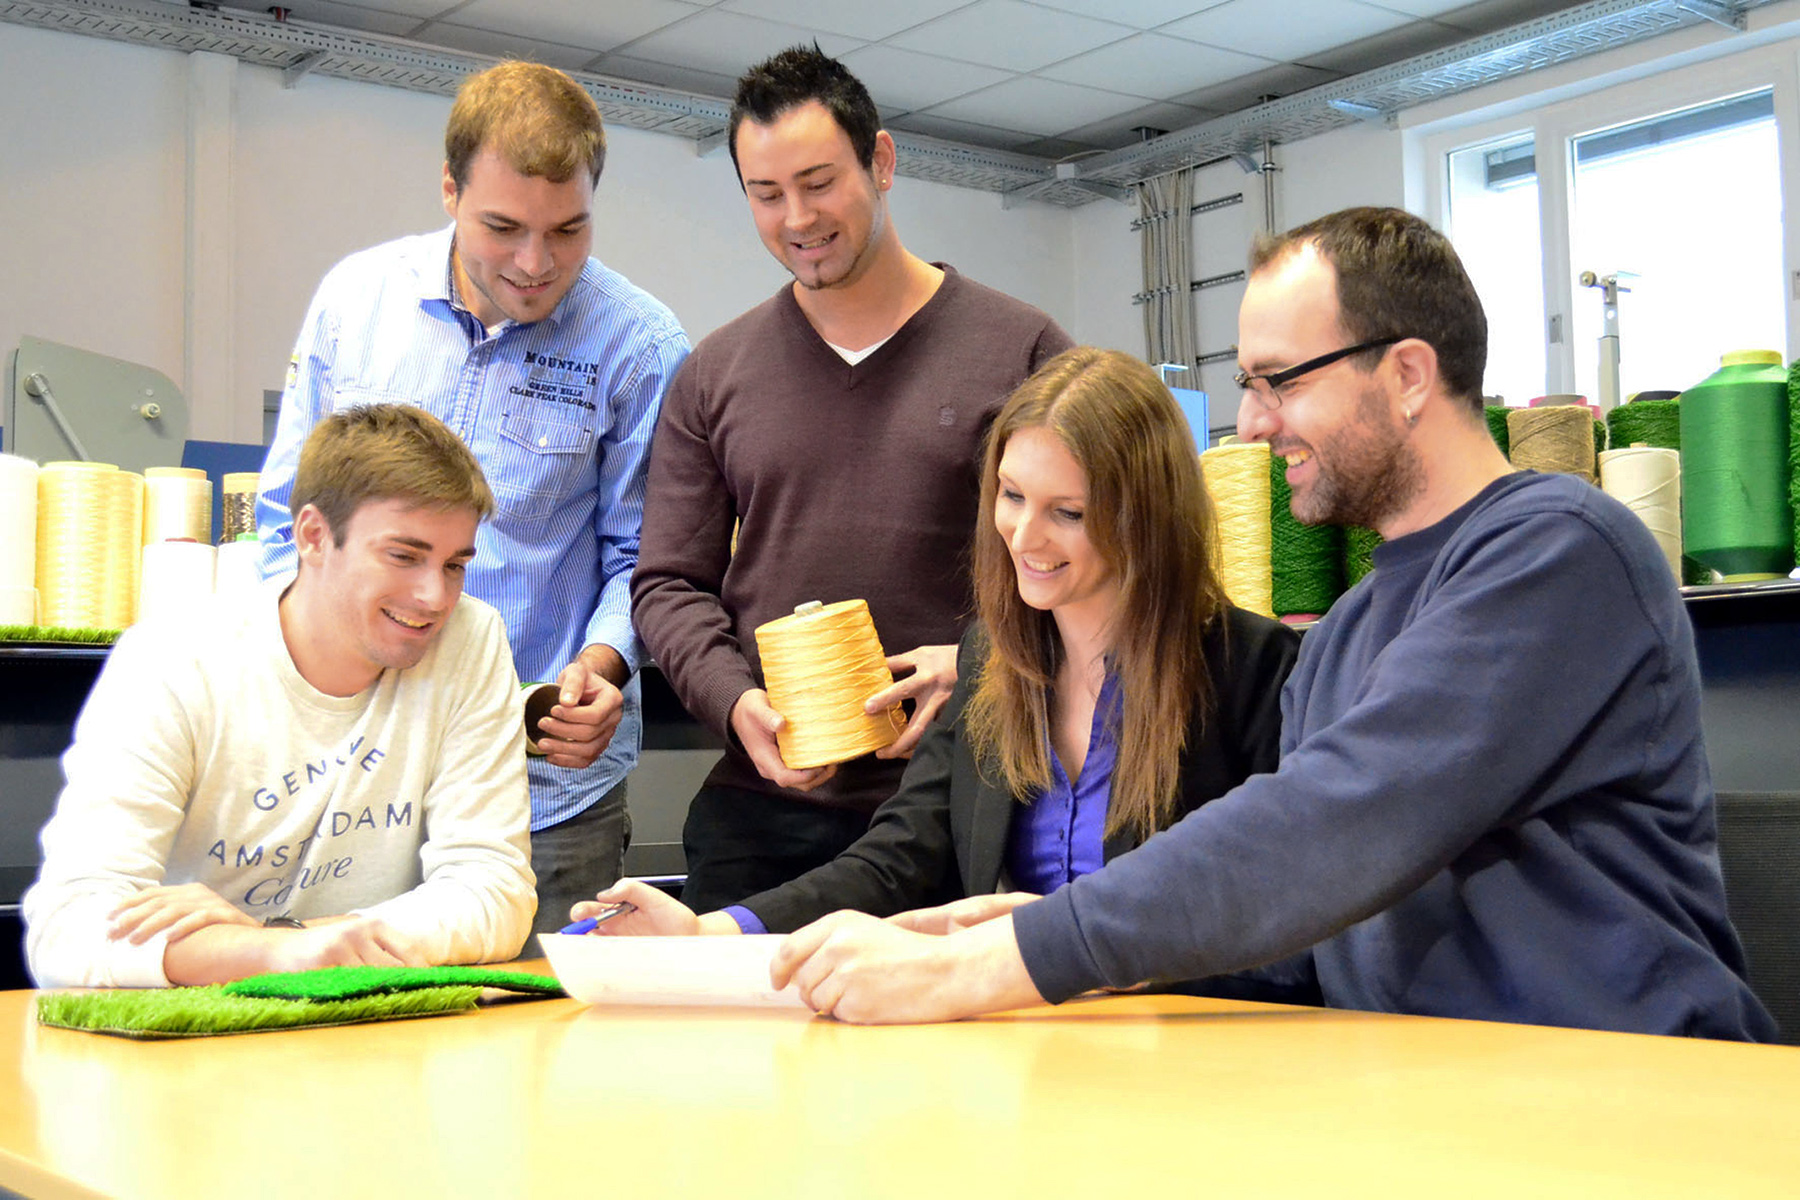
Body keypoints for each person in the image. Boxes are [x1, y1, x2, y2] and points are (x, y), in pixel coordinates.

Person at [750, 207, 1778, 1042]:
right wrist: (1038, 925)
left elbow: (1337, 823)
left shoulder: (1558, 552)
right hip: (1426, 1096)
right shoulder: (1346, 632)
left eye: (1281, 380)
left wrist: (998, 966)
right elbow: (1303, 934)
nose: (1252, 423)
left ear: (1409, 375)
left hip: (1624, 1091)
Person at [582, 349, 1299, 967]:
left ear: (1147, 513)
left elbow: (1279, 914)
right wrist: (711, 931)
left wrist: (1067, 945)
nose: (1024, 535)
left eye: (1068, 512)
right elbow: (901, 857)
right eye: (1011, 496)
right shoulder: (994, 660)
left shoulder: (1254, 671)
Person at [632, 45, 1074, 916]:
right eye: (767, 194)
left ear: (881, 161)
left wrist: (980, 666)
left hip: (962, 807)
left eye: (818, 181)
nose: (797, 217)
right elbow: (668, 583)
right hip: (764, 815)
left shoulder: (1023, 352)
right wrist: (735, 704)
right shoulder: (712, 375)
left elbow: (1091, 564)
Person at [257, 62, 689, 937]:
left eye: (568, 230)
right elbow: (284, 521)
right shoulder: (356, 302)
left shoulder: (640, 345)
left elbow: (643, 558)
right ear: (450, 190)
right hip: (350, 782)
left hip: (543, 799)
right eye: (503, 228)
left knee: (531, 1056)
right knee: (335, 1047)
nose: (536, 265)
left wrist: (603, 668)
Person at [26, 405, 535, 988]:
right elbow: (66, 932)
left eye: (454, 565)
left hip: (380, 1033)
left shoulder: (473, 638)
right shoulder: (172, 657)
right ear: (314, 536)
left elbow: (494, 892)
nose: (434, 596)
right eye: (404, 556)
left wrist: (293, 939)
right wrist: (261, 953)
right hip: (196, 1043)